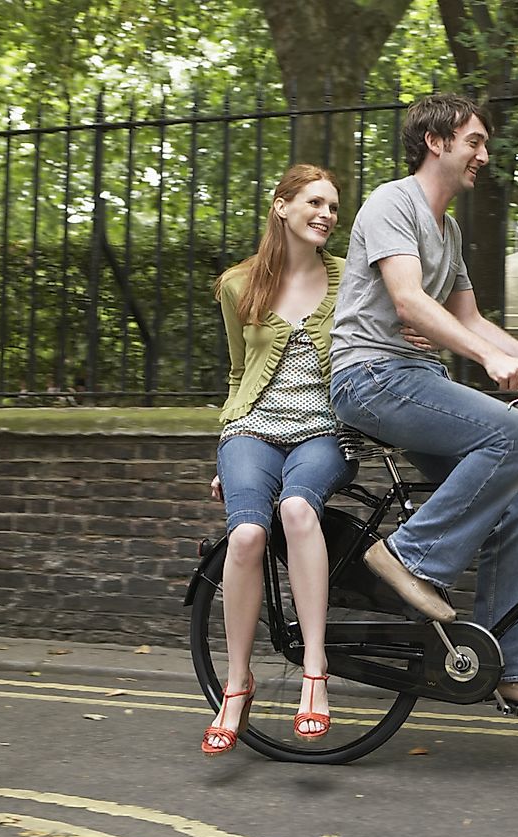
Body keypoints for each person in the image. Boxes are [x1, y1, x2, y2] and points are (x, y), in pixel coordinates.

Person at [329, 93, 518, 708]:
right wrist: (488, 361)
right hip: (370, 377)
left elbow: (468, 315)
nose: (483, 154)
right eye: (475, 141)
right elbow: (408, 301)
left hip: (413, 379)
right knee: (517, 436)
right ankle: (408, 560)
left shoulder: (448, 228)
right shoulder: (392, 202)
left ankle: (503, 669)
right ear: (437, 142)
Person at [203, 163, 358, 754]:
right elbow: (240, 374)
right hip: (252, 430)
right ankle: (237, 683)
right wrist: (230, 453)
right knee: (244, 537)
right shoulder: (238, 286)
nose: (326, 215)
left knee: (297, 510)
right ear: (282, 207)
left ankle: (314, 672)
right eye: (315, 202)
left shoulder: (351, 280)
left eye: (334, 207)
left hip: (324, 432)